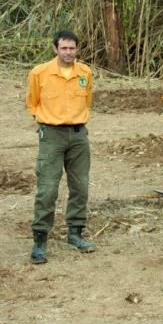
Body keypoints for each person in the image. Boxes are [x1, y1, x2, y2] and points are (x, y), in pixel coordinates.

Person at [26, 31, 96, 263]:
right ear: (55, 49)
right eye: (64, 48)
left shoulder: (85, 73)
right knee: (47, 188)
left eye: (72, 48)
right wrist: (45, 122)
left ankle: (75, 233)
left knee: (80, 186)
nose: (68, 52)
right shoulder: (40, 73)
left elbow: (87, 100)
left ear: (77, 49)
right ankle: (40, 240)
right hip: (51, 135)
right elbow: (32, 102)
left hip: (78, 136)